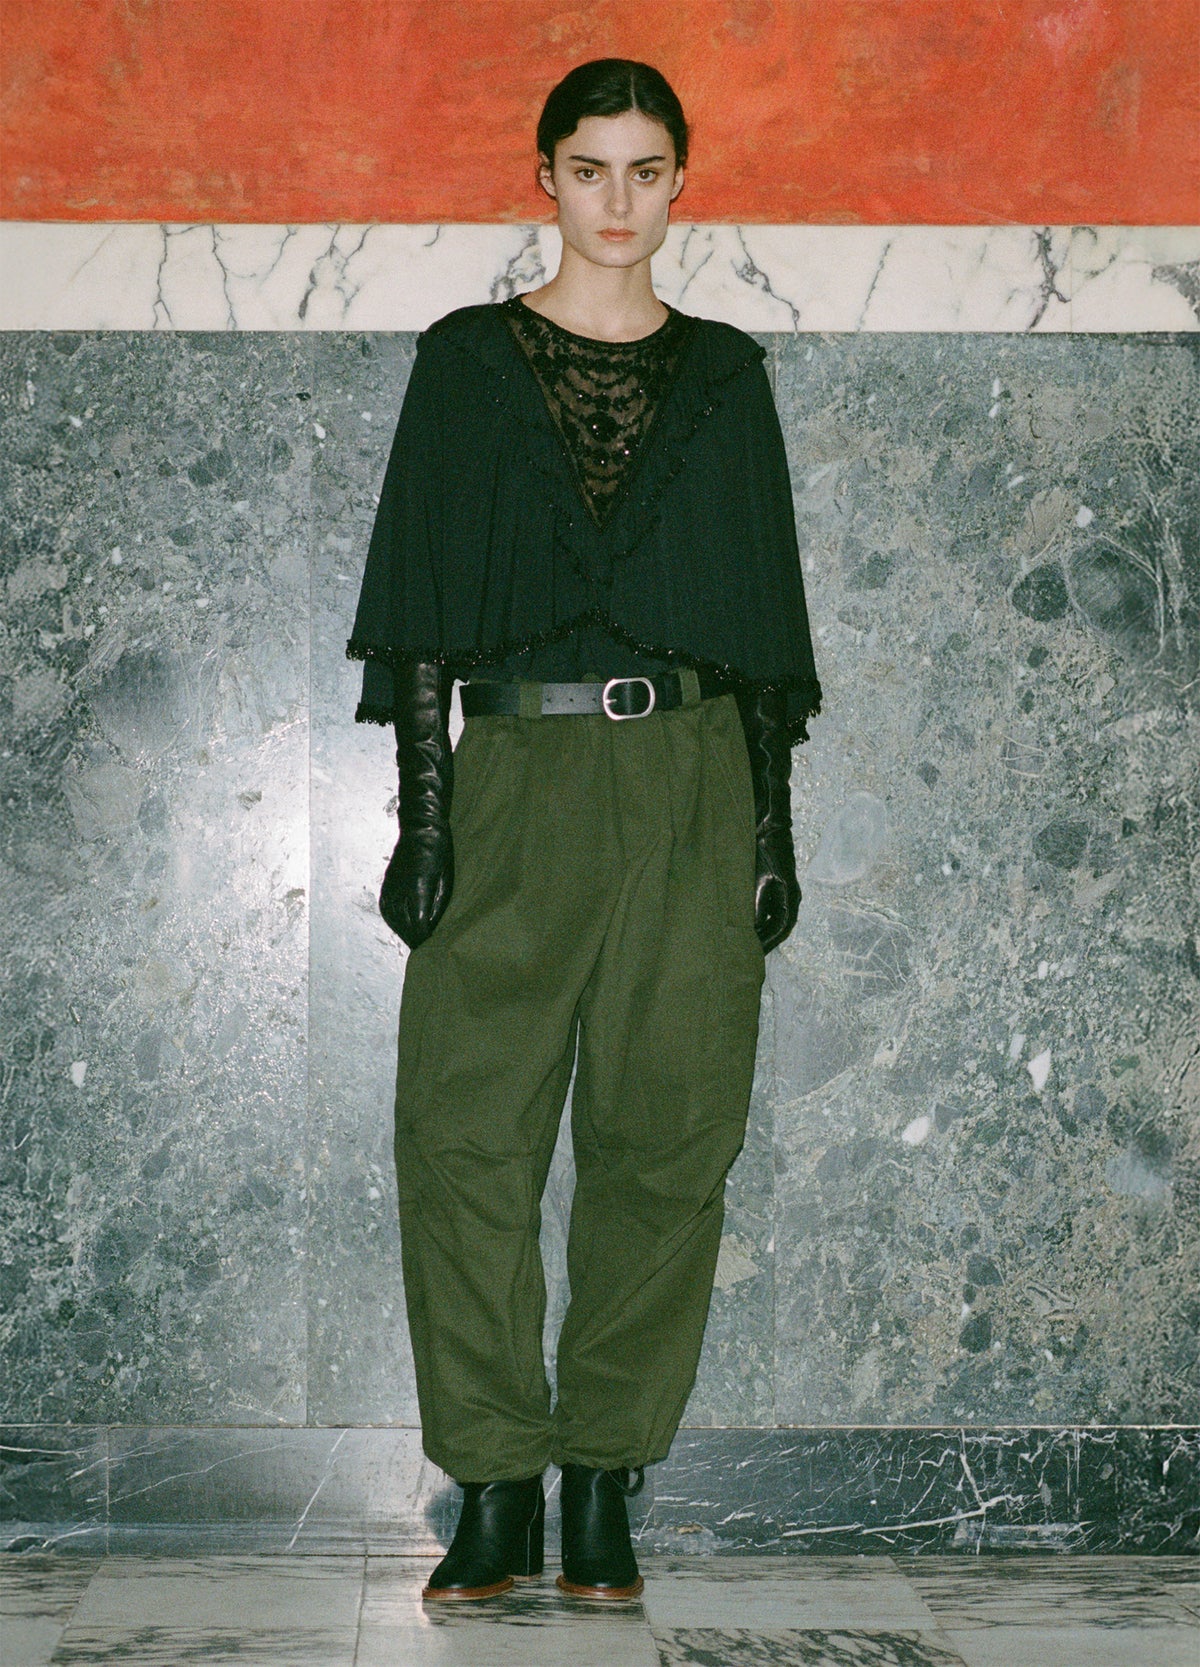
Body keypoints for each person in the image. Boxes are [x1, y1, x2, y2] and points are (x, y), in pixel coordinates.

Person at [347, 58, 822, 1602]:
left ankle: (605, 1479)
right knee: (465, 1135)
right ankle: (494, 1484)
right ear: (544, 176)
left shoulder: (726, 375)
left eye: (648, 170)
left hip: (692, 783)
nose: (619, 201)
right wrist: (427, 820)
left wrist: (772, 830)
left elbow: (760, 629)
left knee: (668, 1138)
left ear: (682, 183)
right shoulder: (468, 362)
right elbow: (422, 606)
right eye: (591, 168)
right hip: (516, 774)